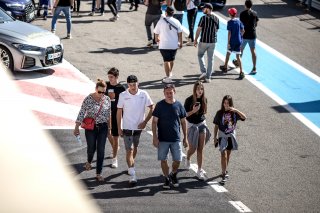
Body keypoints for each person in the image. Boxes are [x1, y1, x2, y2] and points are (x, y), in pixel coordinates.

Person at [117, 75, 154, 185]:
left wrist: (145, 122)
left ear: (138, 83)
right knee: (130, 150)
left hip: (138, 128)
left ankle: (130, 165)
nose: (133, 87)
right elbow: (119, 112)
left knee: (135, 148)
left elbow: (152, 108)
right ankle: (132, 174)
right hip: (127, 127)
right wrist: (119, 127)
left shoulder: (144, 94)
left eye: (134, 84)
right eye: (130, 85)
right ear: (127, 85)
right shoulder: (123, 95)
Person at [74, 80, 112, 182]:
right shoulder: (88, 99)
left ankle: (98, 173)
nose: (101, 94)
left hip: (103, 127)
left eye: (104, 92)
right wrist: (76, 127)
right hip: (91, 128)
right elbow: (82, 112)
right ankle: (89, 161)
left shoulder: (107, 99)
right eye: (99, 92)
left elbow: (109, 115)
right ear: (95, 89)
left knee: (101, 150)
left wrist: (109, 129)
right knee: (91, 148)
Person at [152, 84, 188, 189]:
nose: (169, 94)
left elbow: (183, 122)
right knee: (163, 160)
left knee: (178, 160)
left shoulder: (179, 105)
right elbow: (154, 122)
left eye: (171, 92)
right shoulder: (159, 105)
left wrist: (185, 137)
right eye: (167, 93)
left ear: (174, 92)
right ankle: (167, 178)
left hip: (176, 138)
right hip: (162, 139)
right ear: (164, 94)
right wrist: (155, 137)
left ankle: (173, 173)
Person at [213, 95, 246, 185]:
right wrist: (215, 138)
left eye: (228, 103)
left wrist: (236, 110)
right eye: (224, 103)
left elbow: (244, 117)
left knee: (228, 154)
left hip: (231, 135)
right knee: (223, 154)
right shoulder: (219, 113)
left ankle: (224, 170)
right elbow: (216, 126)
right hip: (222, 135)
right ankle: (224, 173)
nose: (226, 105)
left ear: (231, 104)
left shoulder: (234, 113)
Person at [184, 81, 211, 181]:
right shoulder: (189, 100)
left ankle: (199, 171)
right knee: (193, 148)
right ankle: (188, 157)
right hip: (191, 126)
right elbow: (184, 115)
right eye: (198, 89)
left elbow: (204, 112)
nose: (200, 91)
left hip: (201, 125)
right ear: (195, 90)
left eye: (202, 89)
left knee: (200, 149)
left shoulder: (204, 99)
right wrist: (193, 111)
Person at [154, 6, 183, 83]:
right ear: (173, 13)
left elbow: (156, 32)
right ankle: (170, 73)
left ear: (166, 13)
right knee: (171, 59)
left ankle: (168, 77)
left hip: (163, 45)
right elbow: (180, 33)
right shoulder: (177, 21)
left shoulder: (161, 21)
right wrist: (181, 42)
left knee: (166, 61)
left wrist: (157, 39)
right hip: (174, 45)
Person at [105, 67, 126, 168]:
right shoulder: (106, 85)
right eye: (109, 77)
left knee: (115, 136)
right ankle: (115, 147)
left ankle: (115, 159)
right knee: (108, 133)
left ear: (117, 77)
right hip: (106, 113)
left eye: (112, 77)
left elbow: (125, 103)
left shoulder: (121, 88)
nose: (110, 79)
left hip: (117, 114)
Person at [194, 3, 219, 83]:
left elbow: (198, 30)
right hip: (213, 42)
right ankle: (208, 77)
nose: (203, 10)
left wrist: (195, 40)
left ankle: (203, 71)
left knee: (200, 55)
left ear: (208, 9)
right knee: (210, 59)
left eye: (204, 8)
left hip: (204, 41)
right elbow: (217, 30)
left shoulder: (203, 18)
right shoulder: (216, 18)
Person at [232, 0, 259, 75]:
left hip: (244, 35)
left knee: (240, 50)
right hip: (252, 35)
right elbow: (256, 24)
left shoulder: (242, 14)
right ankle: (254, 68)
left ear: (245, 5)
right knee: (253, 51)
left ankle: (238, 63)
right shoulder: (255, 13)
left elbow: (241, 25)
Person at [219, 8, 245, 80]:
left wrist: (228, 42)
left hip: (232, 41)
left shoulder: (230, 22)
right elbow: (243, 30)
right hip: (239, 41)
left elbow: (229, 33)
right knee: (238, 56)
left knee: (228, 53)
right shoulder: (239, 21)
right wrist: (240, 37)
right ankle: (241, 72)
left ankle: (225, 67)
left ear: (230, 14)